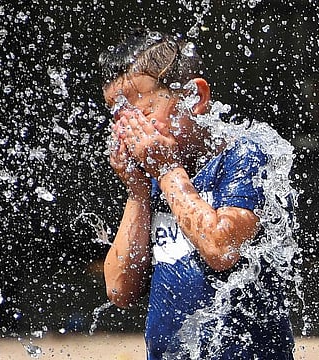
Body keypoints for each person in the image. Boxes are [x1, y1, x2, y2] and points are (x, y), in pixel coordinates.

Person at [99, 29, 294, 359]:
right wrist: (137, 194)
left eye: (143, 116)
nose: (129, 131)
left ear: (195, 97)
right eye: (120, 120)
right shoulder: (155, 177)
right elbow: (119, 288)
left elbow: (222, 247)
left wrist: (167, 172)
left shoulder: (243, 158)